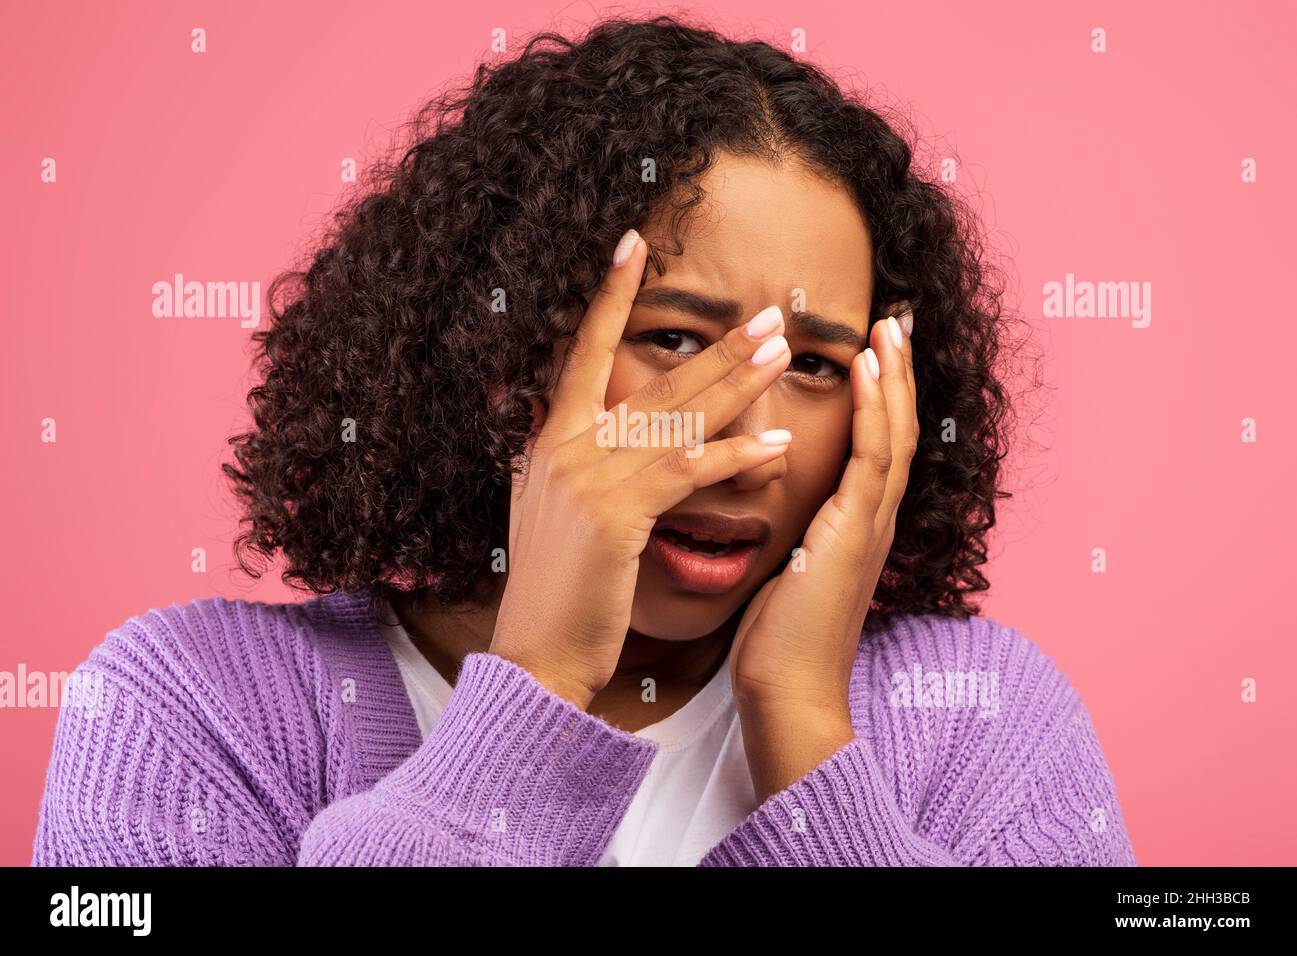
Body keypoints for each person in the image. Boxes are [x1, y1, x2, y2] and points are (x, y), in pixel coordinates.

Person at [32, 15, 1136, 866]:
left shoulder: (983, 718)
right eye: (673, 337)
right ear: (504, 352)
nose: (750, 443)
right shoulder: (186, 705)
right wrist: (539, 681)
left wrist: (803, 723)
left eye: (811, 364)